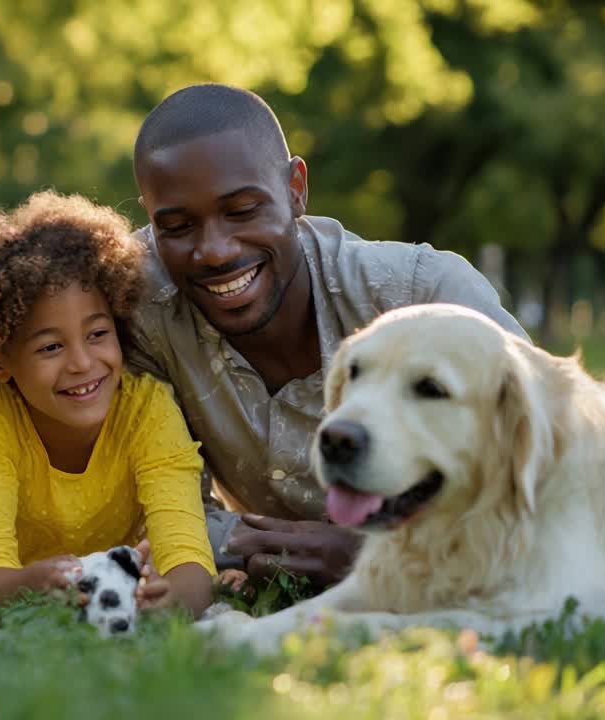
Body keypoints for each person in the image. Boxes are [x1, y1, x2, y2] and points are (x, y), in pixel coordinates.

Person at [128, 84, 528, 587]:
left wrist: (382, 549)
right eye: (178, 226)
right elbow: (147, 507)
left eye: (243, 210)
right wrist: (242, 545)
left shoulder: (425, 294)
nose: (214, 251)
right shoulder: (132, 301)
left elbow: (545, 471)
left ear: (296, 188)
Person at [0, 191, 215, 617]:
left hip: (120, 577)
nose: (82, 363)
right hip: (26, 577)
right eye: (51, 347)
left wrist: (175, 599)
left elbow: (187, 555)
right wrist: (27, 584)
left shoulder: (146, 409)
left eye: (98, 334)